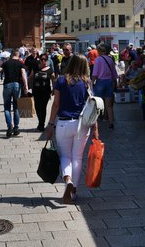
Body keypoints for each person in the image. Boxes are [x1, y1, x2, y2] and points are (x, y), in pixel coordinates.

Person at [45, 54, 100, 204]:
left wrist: (50, 124)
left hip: (63, 124)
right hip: (82, 125)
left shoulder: (61, 81)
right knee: (77, 157)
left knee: (65, 156)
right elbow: (92, 106)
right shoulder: (87, 82)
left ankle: (67, 180)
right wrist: (95, 128)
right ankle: (74, 190)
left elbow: (56, 104)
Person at [0, 48, 29, 138]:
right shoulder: (21, 64)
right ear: (18, 55)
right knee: (16, 107)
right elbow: (24, 75)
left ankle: (9, 127)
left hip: (7, 85)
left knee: (7, 107)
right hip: (17, 85)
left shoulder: (6, 63)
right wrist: (26, 86)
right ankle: (16, 128)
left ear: (11, 55)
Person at [92, 44, 118, 127]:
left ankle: (95, 123)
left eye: (98, 50)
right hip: (109, 82)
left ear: (101, 51)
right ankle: (111, 122)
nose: (98, 52)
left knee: (97, 104)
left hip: (100, 82)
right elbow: (114, 73)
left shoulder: (98, 59)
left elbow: (95, 73)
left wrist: (92, 83)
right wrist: (115, 83)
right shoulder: (110, 59)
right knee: (109, 104)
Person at [29, 53, 55, 131]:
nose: (43, 61)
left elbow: (53, 80)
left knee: (43, 107)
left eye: (45, 59)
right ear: (39, 60)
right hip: (36, 91)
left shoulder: (50, 69)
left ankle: (41, 124)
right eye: (42, 59)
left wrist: (54, 89)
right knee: (37, 107)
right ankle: (40, 122)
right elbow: (30, 77)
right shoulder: (35, 68)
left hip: (45, 92)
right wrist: (26, 85)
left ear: (47, 60)